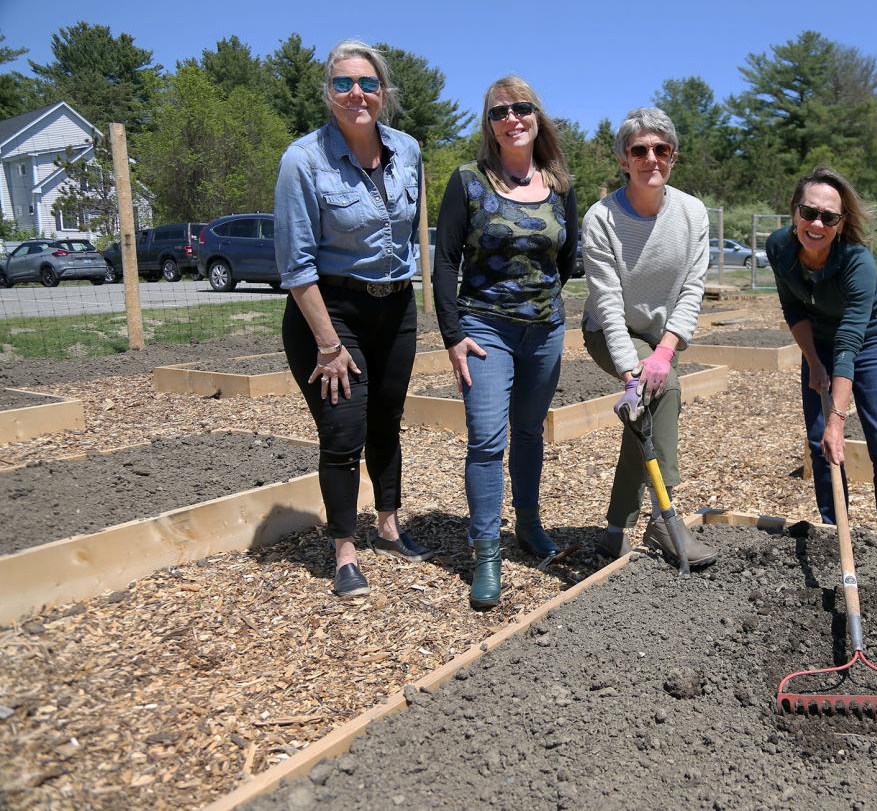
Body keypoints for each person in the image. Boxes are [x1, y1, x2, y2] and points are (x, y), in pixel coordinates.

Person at [275, 39, 433, 598]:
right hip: (330, 310)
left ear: (383, 93)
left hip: (394, 305)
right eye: (343, 84)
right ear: (328, 93)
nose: (356, 93)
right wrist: (326, 343)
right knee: (344, 431)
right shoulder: (304, 160)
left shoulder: (408, 150)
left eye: (366, 83)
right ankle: (344, 550)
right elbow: (294, 265)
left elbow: (412, 234)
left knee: (388, 416)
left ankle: (388, 525)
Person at [433, 76, 578, 610]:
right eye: (500, 112)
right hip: (484, 330)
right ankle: (487, 552)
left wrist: (538, 307)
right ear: (489, 125)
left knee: (529, 431)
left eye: (522, 109)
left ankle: (529, 524)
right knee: (487, 439)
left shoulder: (560, 185)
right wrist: (454, 334)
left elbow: (567, 259)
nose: (512, 118)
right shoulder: (469, 181)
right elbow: (445, 261)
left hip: (543, 331)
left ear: (537, 117)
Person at [581, 107, 717, 569]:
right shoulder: (601, 218)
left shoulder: (692, 213)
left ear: (673, 156)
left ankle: (616, 528)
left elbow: (692, 289)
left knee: (647, 408)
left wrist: (663, 352)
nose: (651, 158)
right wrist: (630, 370)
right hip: (609, 330)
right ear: (623, 159)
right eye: (640, 150)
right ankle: (666, 516)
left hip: (661, 338)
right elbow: (607, 302)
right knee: (665, 390)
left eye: (661, 149)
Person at [767, 166, 877, 533]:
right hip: (818, 342)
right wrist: (813, 361)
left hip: (868, 340)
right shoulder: (779, 248)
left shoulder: (857, 262)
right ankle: (835, 529)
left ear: (841, 224)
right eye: (809, 212)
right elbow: (793, 308)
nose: (816, 224)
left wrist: (838, 419)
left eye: (828, 217)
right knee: (819, 443)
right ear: (795, 211)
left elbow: (850, 340)